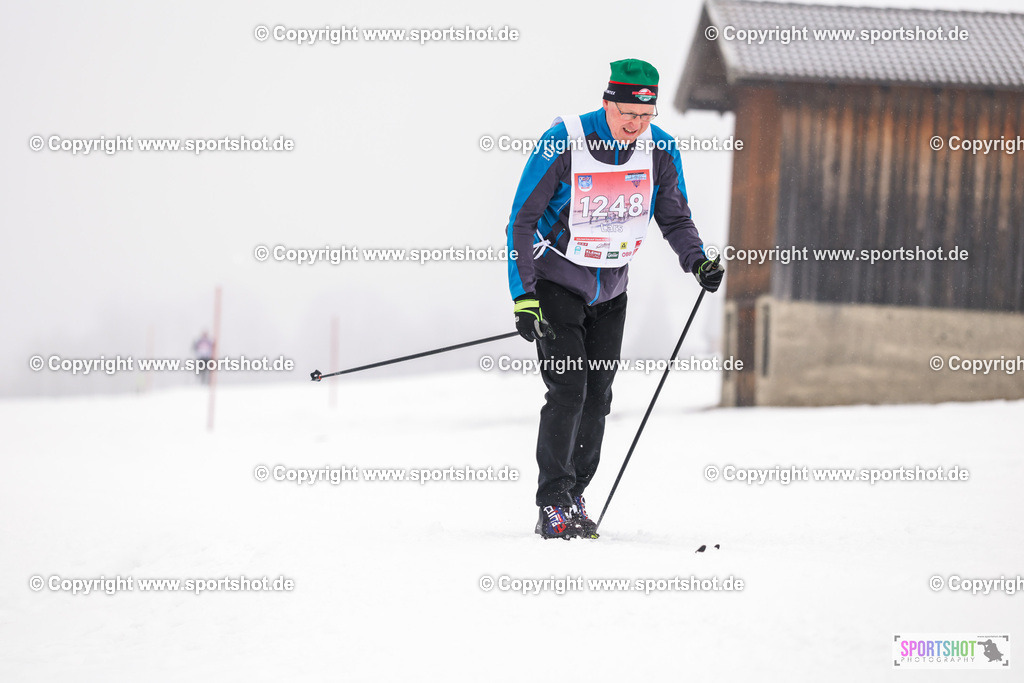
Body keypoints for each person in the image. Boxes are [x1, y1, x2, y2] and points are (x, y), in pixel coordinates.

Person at [505, 58, 725, 540]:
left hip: (612, 291)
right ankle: (553, 501)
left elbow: (675, 218)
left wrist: (698, 262)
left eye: (646, 117)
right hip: (556, 283)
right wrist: (524, 296)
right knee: (568, 389)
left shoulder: (660, 150)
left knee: (599, 398)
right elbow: (521, 221)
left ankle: (576, 493)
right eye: (628, 114)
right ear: (608, 102)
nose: (635, 126)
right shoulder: (565, 140)